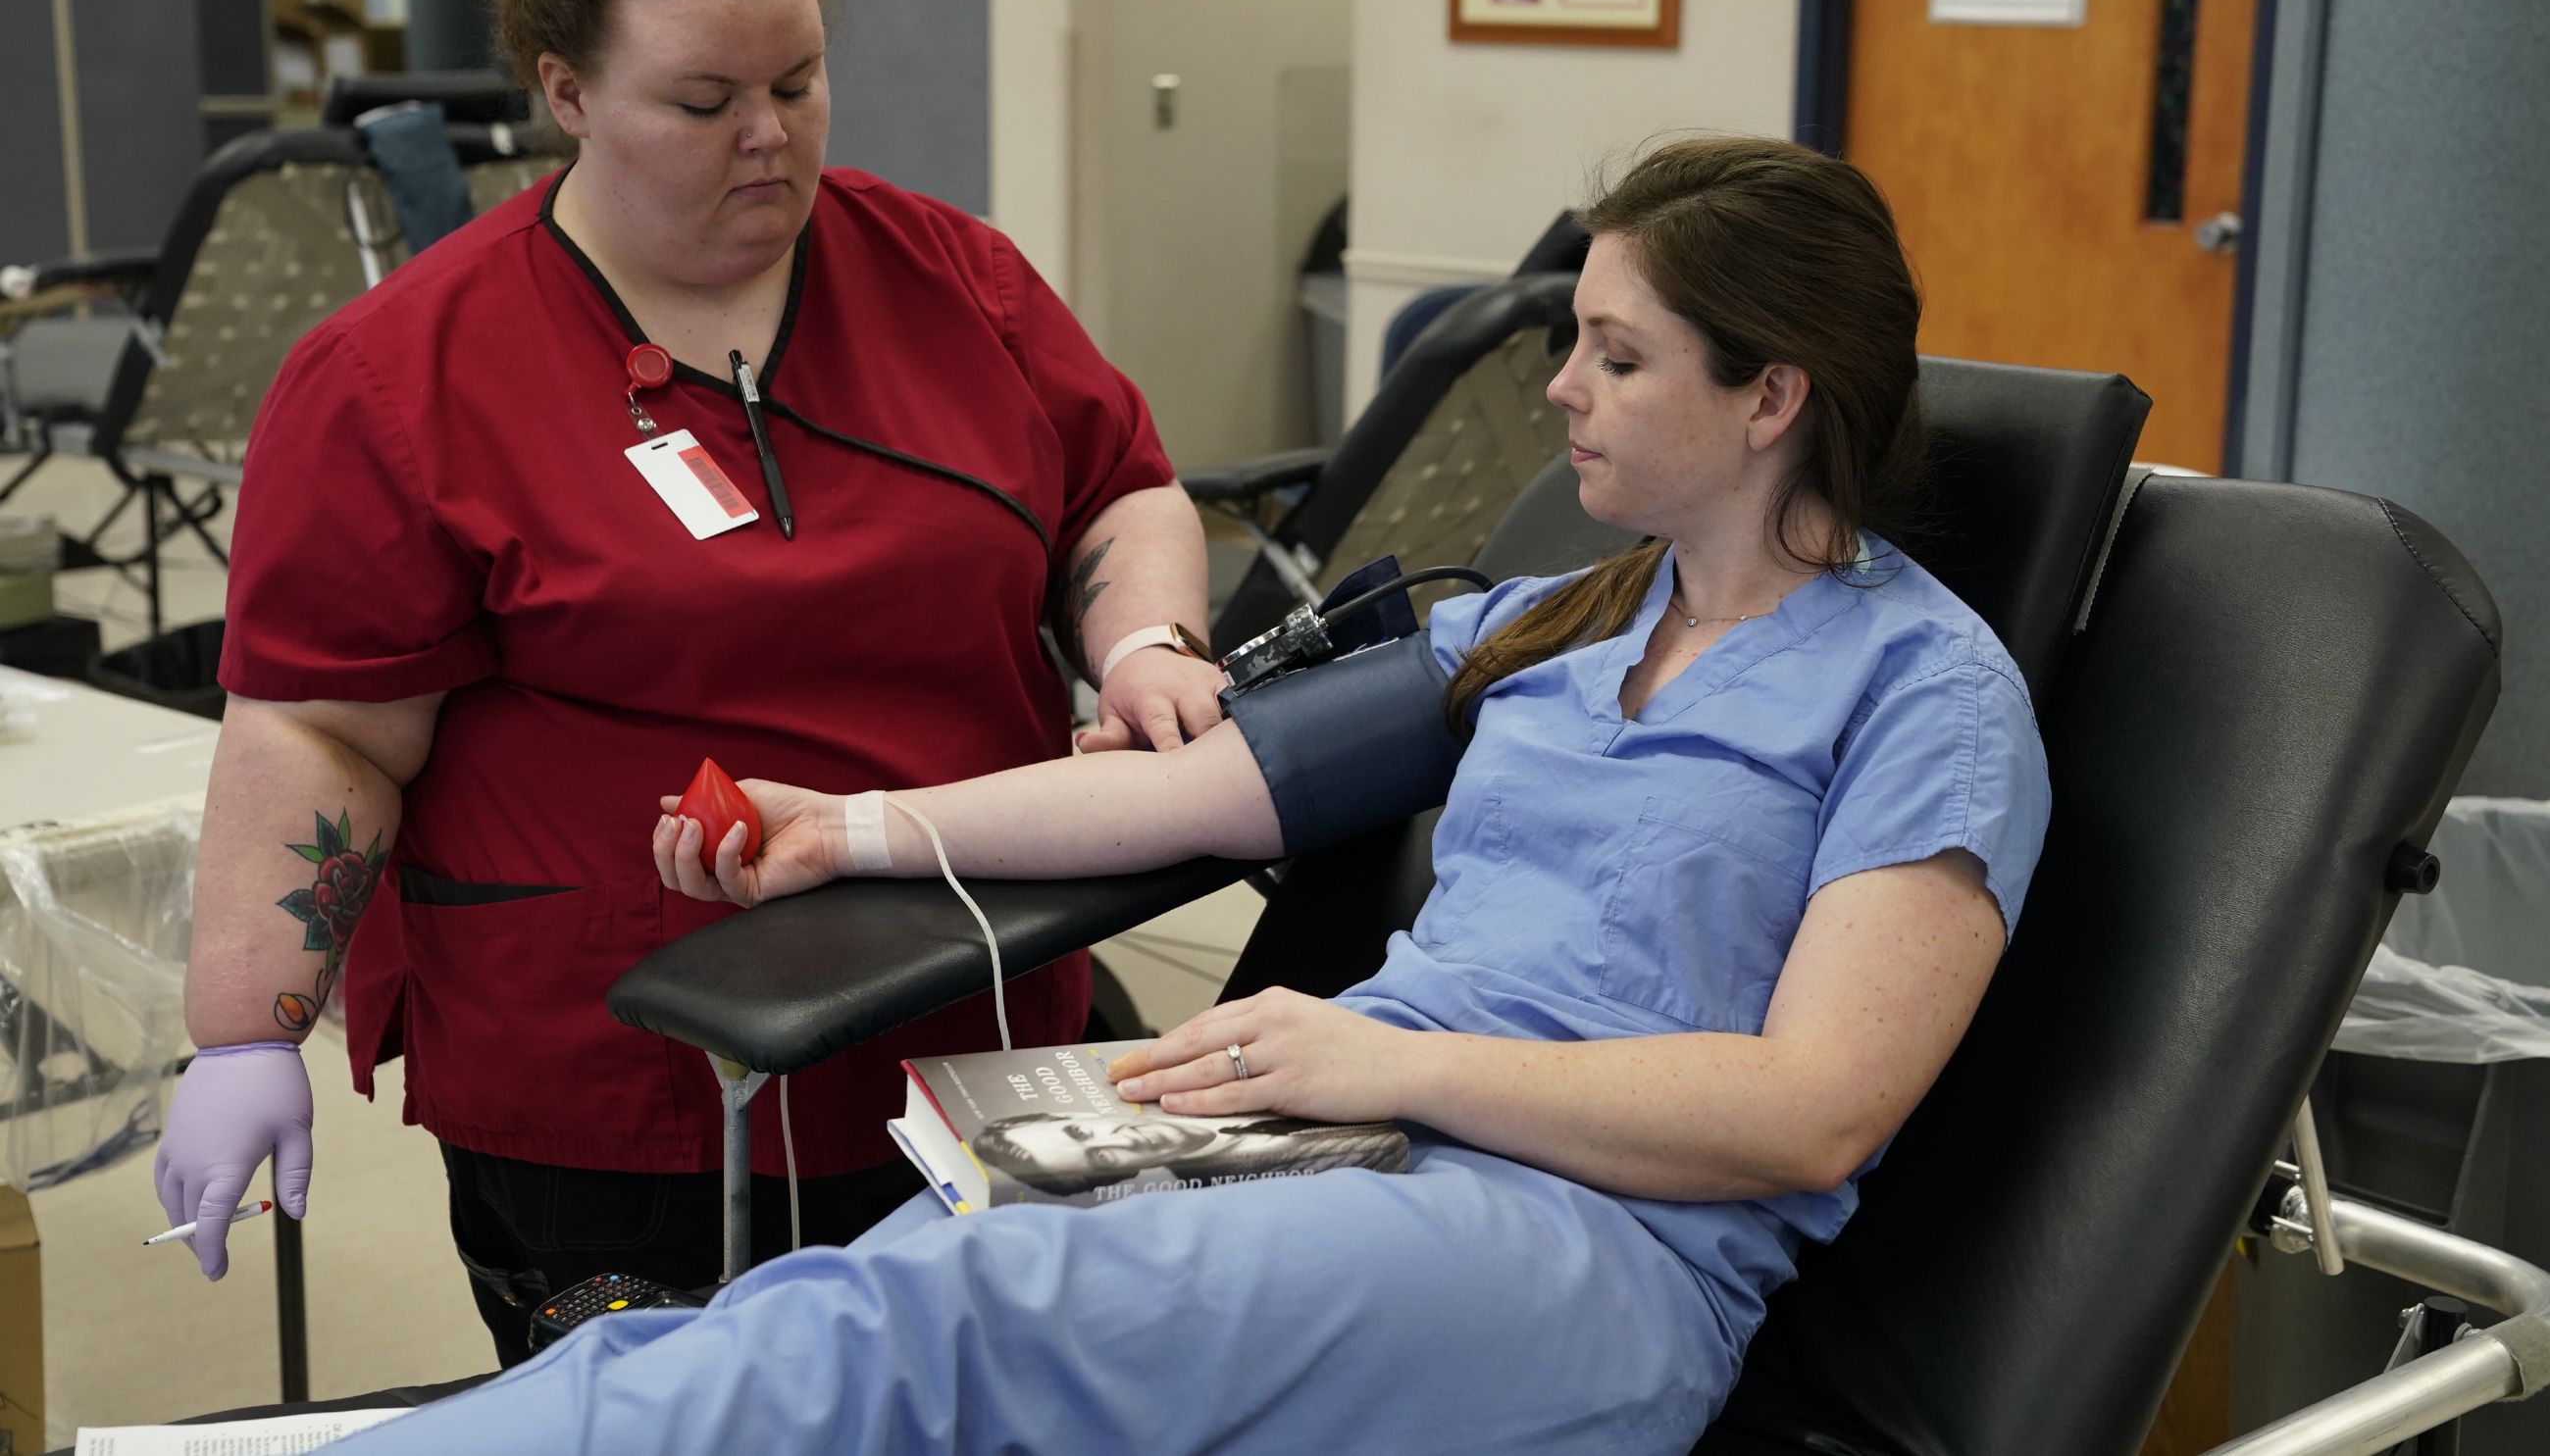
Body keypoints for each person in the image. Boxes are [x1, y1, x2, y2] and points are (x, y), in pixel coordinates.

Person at [328, 134, 2053, 1454]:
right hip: (1351, 1141)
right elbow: (1191, 796)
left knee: (955, 1329)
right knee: (875, 1288)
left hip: (1595, 1243)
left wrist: (1397, 1059)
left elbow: (1818, 1107)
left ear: (1771, 393)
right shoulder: (1553, 622)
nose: (1557, 387)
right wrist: (838, 829)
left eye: (1615, 354)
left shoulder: (1925, 693)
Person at [151, 0, 1225, 1361]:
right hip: (621, 1086)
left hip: (970, 1007)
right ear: (566, 91)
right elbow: (323, 728)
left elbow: (1118, 495)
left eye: (800, 81)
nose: (770, 136)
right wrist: (246, 1026)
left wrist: (1145, 645)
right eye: (704, 101)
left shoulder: (953, 278)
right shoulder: (401, 378)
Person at [971, 1111, 1409, 1198]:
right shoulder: (1244, 1185)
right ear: (1115, 1179)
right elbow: (1394, 1148)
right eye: (1101, 1159)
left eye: (1081, 1131)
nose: (1121, 1140)